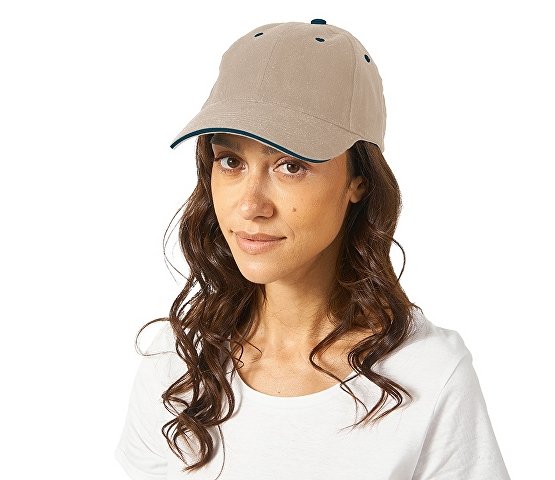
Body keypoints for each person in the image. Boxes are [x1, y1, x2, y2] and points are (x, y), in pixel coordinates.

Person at [114, 19, 511, 480]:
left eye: (290, 166)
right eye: (231, 161)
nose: (250, 205)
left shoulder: (428, 373)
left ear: (359, 181)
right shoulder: (178, 360)